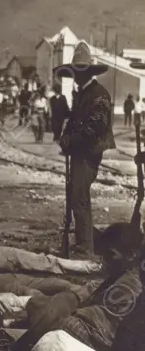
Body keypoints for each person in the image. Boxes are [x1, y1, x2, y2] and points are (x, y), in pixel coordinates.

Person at [56, 42, 115, 257]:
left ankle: (84, 249)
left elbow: (96, 126)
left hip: (89, 152)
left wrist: (72, 140)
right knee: (78, 197)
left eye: (80, 73)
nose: (76, 77)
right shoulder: (81, 93)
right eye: (75, 74)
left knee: (79, 198)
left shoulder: (99, 94)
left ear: (88, 73)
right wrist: (65, 136)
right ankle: (84, 244)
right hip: (79, 152)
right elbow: (74, 120)